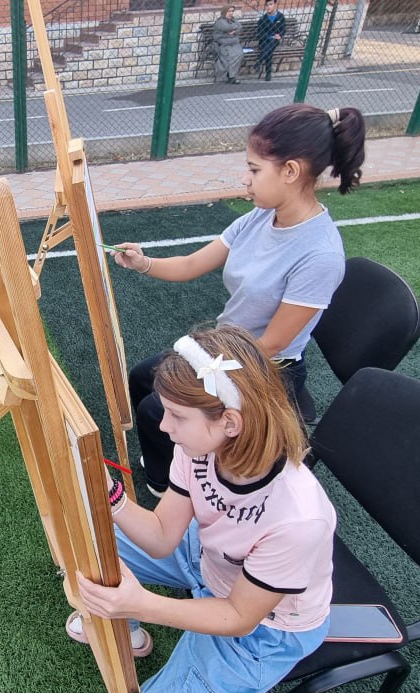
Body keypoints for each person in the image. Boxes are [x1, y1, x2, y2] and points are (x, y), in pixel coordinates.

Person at [65, 326, 336, 693]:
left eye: (177, 415)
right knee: (91, 541)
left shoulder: (299, 519)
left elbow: (239, 617)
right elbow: (162, 537)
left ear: (230, 422)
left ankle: (140, 623)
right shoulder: (198, 447)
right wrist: (109, 495)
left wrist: (142, 603)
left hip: (268, 626)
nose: (164, 426)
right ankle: (131, 632)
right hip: (212, 556)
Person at [110, 103, 366, 497]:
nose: (245, 179)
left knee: (155, 409)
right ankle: (173, 453)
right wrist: (143, 263)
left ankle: (166, 485)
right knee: (144, 377)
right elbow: (192, 263)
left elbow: (272, 345)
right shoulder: (261, 216)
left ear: (291, 171)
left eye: (254, 170)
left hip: (266, 367)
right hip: (228, 349)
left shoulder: (321, 254)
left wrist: (200, 364)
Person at [211, 6, 244, 84]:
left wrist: (233, 32)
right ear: (224, 12)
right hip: (222, 44)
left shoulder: (233, 20)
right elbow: (227, 27)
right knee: (231, 55)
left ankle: (231, 75)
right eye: (229, 11)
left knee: (239, 54)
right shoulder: (220, 22)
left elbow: (240, 27)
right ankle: (230, 76)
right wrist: (234, 30)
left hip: (233, 43)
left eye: (232, 11)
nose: (231, 13)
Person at [254, 1, 286, 81]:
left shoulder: (280, 16)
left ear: (275, 5)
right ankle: (268, 73)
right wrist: (269, 37)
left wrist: (280, 35)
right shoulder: (263, 18)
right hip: (265, 40)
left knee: (271, 44)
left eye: (270, 4)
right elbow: (260, 32)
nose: (268, 7)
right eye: (267, 5)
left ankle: (259, 61)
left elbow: (283, 29)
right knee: (269, 50)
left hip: (275, 40)